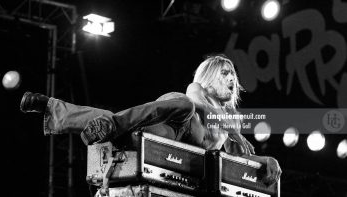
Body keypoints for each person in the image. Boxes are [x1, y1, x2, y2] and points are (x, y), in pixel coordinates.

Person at [20, 54, 281, 185]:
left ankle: (50, 107)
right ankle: (113, 124)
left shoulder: (231, 120)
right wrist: (232, 130)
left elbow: (237, 159)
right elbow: (196, 103)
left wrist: (266, 160)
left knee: (125, 129)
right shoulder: (198, 90)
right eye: (226, 73)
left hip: (175, 143)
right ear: (211, 76)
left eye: (233, 75)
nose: (232, 80)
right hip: (177, 120)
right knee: (184, 104)